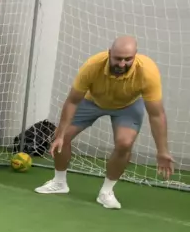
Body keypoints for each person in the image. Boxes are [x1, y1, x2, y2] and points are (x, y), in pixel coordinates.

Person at [35, 36, 173, 209]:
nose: (122, 64)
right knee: (62, 136)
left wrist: (162, 151)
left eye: (128, 59)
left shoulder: (147, 72)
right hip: (92, 101)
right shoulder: (93, 66)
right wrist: (61, 134)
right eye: (118, 58)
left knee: (124, 143)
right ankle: (59, 182)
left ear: (135, 55)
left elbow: (156, 115)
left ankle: (106, 192)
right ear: (109, 53)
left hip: (128, 106)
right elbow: (72, 101)